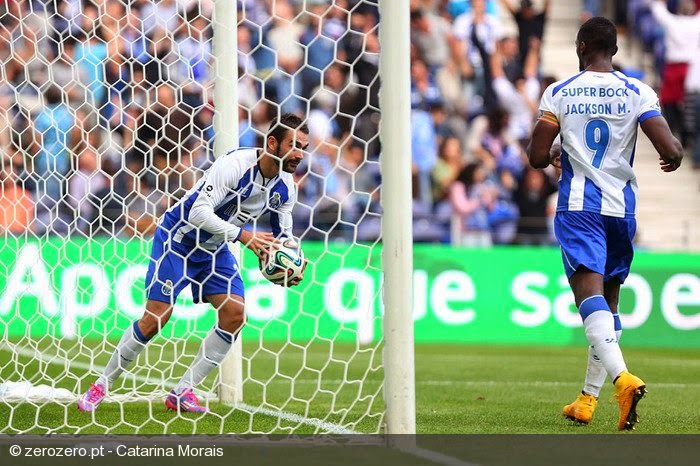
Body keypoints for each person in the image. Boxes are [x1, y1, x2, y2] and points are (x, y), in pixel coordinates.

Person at [78, 113, 309, 413]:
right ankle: (100, 385)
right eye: (294, 145)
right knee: (156, 318)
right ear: (273, 143)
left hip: (214, 249)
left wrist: (293, 260)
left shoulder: (286, 187)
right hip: (178, 239)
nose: (300, 154)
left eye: (304, 147)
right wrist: (243, 236)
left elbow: (284, 236)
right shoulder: (235, 165)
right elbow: (197, 213)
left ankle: (182, 391)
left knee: (235, 314)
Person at [527, 17, 683, 430]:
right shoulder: (638, 91)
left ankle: (623, 379)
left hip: (580, 208)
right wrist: (676, 154)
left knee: (588, 298)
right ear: (614, 49)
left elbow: (536, 156)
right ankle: (587, 398)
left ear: (581, 47)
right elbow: (669, 148)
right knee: (609, 305)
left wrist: (557, 150)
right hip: (621, 210)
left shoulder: (560, 91)